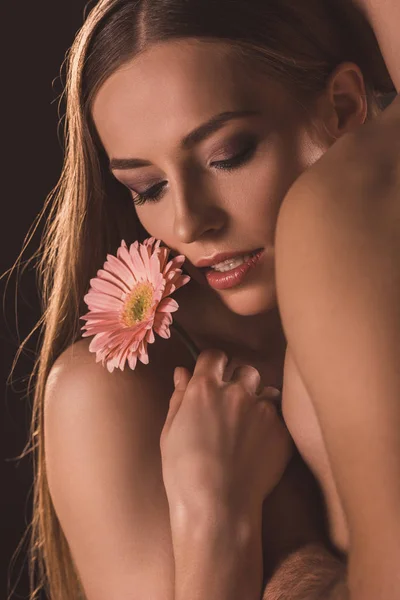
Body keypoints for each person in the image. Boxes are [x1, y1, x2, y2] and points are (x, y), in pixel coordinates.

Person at [13, 0, 399, 599]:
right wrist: (211, 515)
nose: (189, 223)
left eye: (228, 157)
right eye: (148, 188)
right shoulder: (110, 392)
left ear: (342, 106)